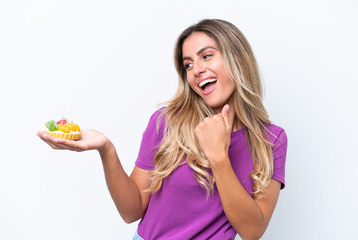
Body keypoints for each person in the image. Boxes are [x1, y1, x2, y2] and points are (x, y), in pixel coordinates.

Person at [37, 19, 288, 240]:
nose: (196, 70)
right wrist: (106, 149)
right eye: (188, 65)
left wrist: (219, 156)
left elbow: (252, 231)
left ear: (237, 59)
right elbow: (131, 211)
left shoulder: (272, 139)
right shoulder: (166, 122)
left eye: (207, 56)